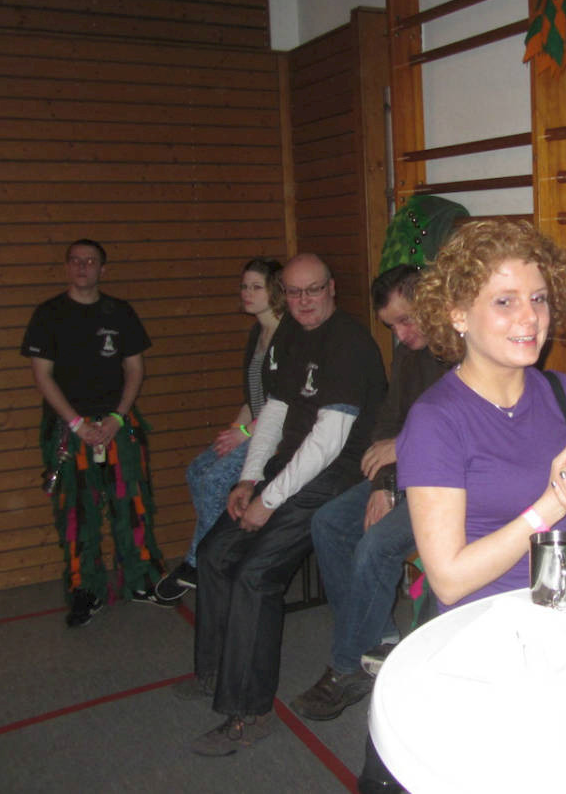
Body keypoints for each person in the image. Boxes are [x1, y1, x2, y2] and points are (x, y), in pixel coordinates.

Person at [186, 253, 387, 756]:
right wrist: (250, 479)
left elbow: (327, 443)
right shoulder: (290, 335)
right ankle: (215, 671)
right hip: (290, 467)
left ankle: (248, 714)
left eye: (313, 290)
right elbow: (273, 412)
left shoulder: (350, 343)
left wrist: (270, 501)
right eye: (294, 293)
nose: (303, 301)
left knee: (256, 576)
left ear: (332, 287)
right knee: (213, 553)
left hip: (335, 477)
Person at [397, 219, 566, 609]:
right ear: (458, 315)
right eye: (505, 301)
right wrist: (551, 504)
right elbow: (448, 581)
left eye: (539, 299)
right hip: (484, 624)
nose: (530, 317)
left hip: (563, 612)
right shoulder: (435, 420)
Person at [291, 265, 450, 722]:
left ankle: (348, 667)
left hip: (449, 486)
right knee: (329, 523)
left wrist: (398, 462)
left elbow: (461, 434)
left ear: (432, 303)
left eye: (406, 320)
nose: (401, 334)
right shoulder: (409, 355)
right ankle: (378, 640)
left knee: (376, 545)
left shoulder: (464, 350)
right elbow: (388, 422)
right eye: (392, 326)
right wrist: (385, 484)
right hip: (408, 474)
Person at [20, 238, 167, 627]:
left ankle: (140, 580)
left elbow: (135, 369)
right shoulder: (48, 314)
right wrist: (76, 424)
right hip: (70, 430)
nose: (82, 266)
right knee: (77, 512)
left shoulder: (120, 312)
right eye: (75, 260)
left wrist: (118, 417)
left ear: (103, 269)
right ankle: (85, 590)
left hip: (117, 425)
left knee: (131, 505)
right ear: (67, 267)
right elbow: (42, 376)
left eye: (90, 261)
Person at [154, 259, 286, 603]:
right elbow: (252, 397)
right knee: (197, 470)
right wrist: (235, 430)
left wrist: (246, 432)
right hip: (254, 428)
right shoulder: (257, 333)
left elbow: (284, 402)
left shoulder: (286, 335)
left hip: (277, 436)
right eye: (244, 286)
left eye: (256, 287)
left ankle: (203, 563)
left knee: (214, 481)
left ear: (274, 291)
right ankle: (211, 554)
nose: (247, 293)